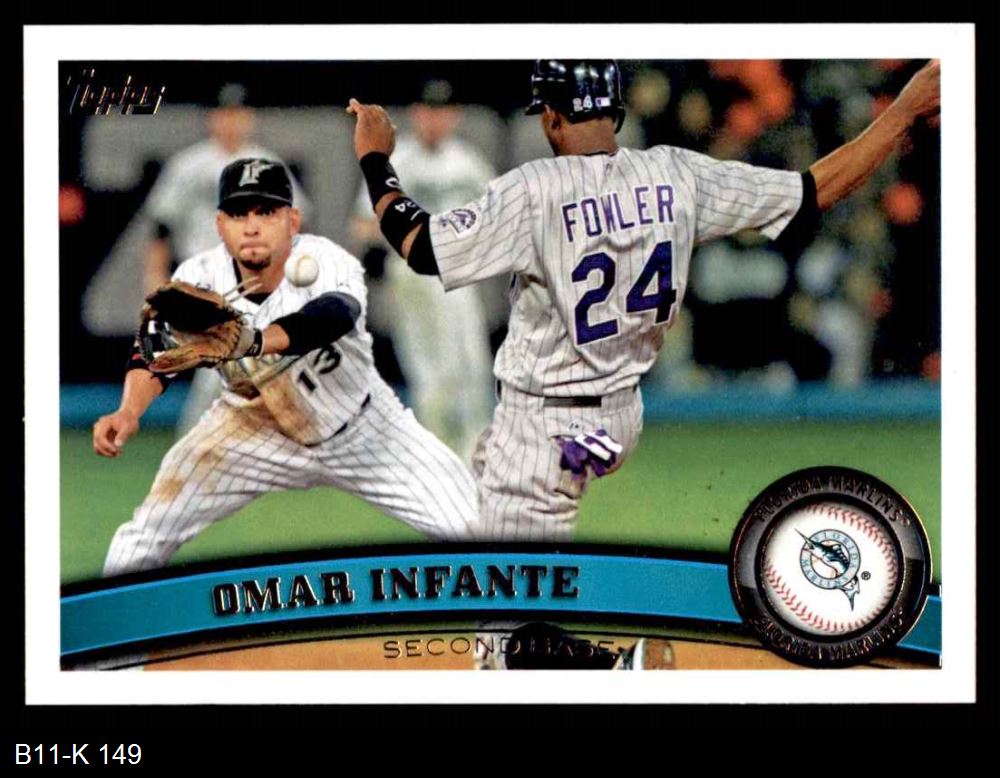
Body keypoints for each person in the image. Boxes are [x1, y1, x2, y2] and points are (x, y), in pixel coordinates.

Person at [347, 58, 941, 543]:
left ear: (551, 118)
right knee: (479, 518)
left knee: (509, 618)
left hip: (548, 424)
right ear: (617, 112)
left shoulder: (534, 191)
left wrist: (376, 161)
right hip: (620, 415)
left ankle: (606, 653)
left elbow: (422, 247)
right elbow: (814, 190)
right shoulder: (678, 175)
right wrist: (905, 110)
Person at [93, 158, 481, 577]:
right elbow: (155, 353)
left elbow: (334, 315)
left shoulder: (327, 260)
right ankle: (116, 621)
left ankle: (504, 620)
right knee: (146, 532)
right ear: (220, 224)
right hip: (250, 427)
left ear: (293, 221)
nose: (252, 226)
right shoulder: (198, 278)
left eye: (266, 211)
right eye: (239, 213)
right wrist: (129, 410)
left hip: (365, 428)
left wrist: (257, 340)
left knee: (475, 528)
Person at [142, 83, 311, 436]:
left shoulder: (269, 164)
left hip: (253, 278)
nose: (231, 121)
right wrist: (154, 275)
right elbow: (162, 225)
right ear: (212, 118)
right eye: (224, 114)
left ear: (249, 118)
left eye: (237, 114)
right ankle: (199, 446)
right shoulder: (189, 164)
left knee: (235, 370)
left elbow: (295, 223)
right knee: (225, 366)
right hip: (203, 278)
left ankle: (201, 447)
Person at [351, 80, 495, 462]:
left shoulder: (468, 161)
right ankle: (438, 457)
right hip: (414, 275)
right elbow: (364, 222)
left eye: (442, 111)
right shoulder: (398, 161)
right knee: (432, 373)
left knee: (473, 365)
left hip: (458, 273)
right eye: (429, 110)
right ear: (416, 114)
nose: (435, 119)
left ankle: (474, 454)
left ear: (454, 116)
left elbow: (497, 212)